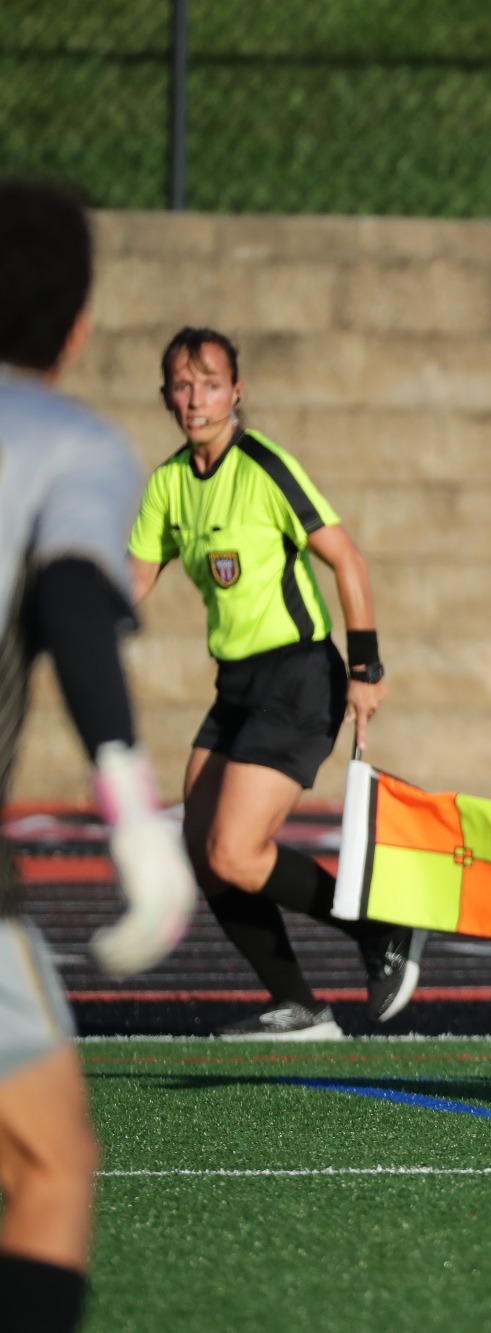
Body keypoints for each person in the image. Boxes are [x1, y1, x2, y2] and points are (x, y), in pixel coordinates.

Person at [0, 178, 197, 1333]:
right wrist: (132, 817)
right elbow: (77, 604)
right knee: (47, 1165)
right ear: (77, 328)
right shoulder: (66, 439)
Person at [128, 327, 422, 1039]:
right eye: (181, 383)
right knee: (205, 851)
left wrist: (365, 667)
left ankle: (379, 925)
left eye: (209, 381)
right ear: (167, 395)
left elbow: (346, 560)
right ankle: (298, 1004)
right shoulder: (168, 484)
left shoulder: (263, 467)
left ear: (237, 392)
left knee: (236, 848)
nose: (194, 396)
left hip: (299, 676)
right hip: (236, 686)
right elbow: (127, 583)